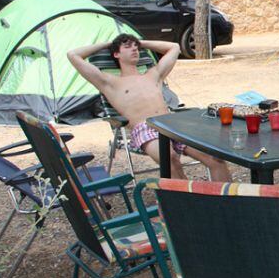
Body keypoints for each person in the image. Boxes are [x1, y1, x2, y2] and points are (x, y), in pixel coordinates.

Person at [67, 34, 231, 181]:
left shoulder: (154, 75)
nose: (134, 49)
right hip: (146, 128)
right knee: (171, 159)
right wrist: (109, 43)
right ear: (116, 54)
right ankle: (189, 206)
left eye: (136, 46)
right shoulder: (109, 83)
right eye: (127, 46)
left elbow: (174, 47)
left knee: (215, 159)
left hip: (171, 124)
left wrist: (140, 42)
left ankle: (232, 205)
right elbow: (73, 55)